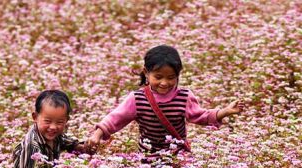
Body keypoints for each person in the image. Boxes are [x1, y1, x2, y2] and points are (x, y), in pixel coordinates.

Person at [86, 45, 245, 162]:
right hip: (148, 158)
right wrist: (97, 134)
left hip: (178, 158)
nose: (164, 83)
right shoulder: (138, 98)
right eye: (158, 76)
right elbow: (116, 118)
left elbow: (200, 115)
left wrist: (225, 111)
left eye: (171, 77)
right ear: (146, 73)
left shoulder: (184, 96)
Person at [13, 90, 91, 168]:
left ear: (67, 120)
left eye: (60, 122)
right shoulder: (32, 146)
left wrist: (79, 146)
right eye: (47, 121)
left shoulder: (56, 136)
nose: (53, 127)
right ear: (35, 117)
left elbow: (65, 141)